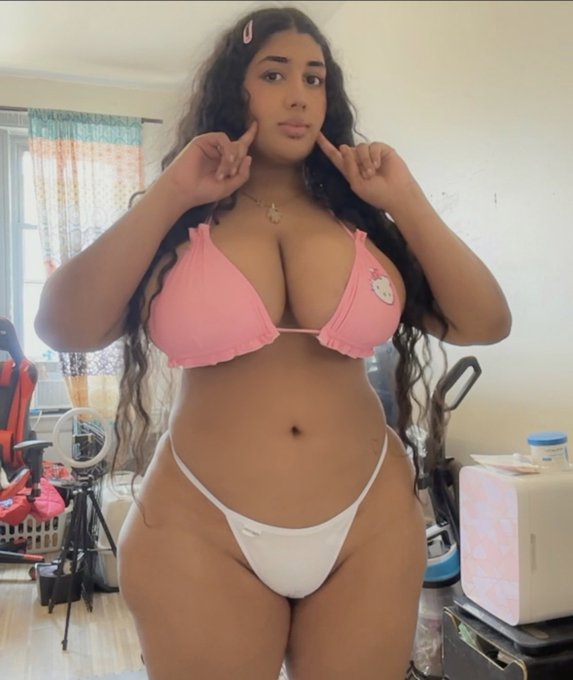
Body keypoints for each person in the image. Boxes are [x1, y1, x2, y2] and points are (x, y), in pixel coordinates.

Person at [35, 7, 511, 680]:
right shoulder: (182, 217)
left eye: (314, 79)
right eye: (274, 74)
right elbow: (63, 327)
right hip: (202, 526)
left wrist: (403, 199)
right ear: (236, 89)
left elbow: (485, 321)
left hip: (368, 524)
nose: (298, 95)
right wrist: (173, 192)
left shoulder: (357, 221)